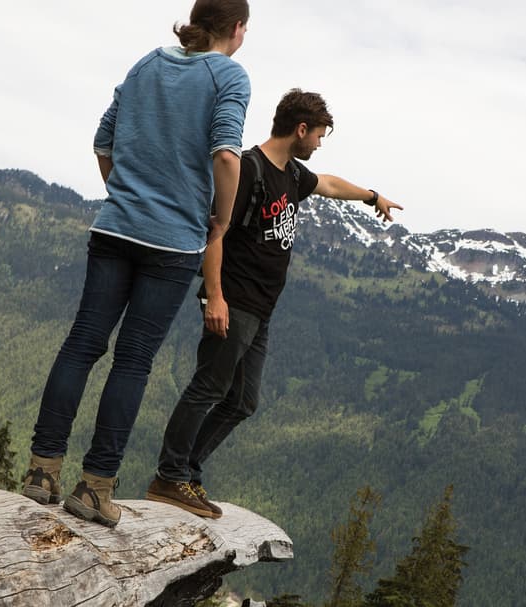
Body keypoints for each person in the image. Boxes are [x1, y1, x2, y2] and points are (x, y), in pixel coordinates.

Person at [20, 0, 252, 528]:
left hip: (115, 226)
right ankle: (96, 487)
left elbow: (103, 141)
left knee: (82, 343)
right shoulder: (230, 75)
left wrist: (123, 192)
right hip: (172, 242)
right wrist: (220, 219)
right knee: (133, 360)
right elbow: (225, 154)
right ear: (237, 29)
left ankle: (41, 471)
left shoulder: (147, 63)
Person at [145, 89, 403, 518]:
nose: (319, 144)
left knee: (243, 401)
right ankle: (170, 476)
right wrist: (215, 296)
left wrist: (372, 196)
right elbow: (215, 233)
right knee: (208, 387)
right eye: (318, 135)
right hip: (235, 300)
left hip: (261, 311)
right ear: (300, 129)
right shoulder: (249, 170)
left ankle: (186, 471)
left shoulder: (292, 175)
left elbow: (330, 183)